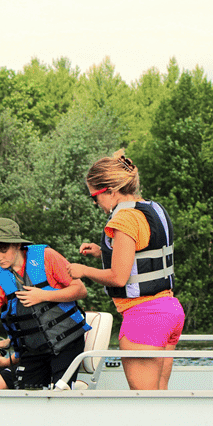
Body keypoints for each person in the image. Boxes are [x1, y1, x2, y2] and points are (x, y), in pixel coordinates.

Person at [69, 151, 185, 391]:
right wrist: (102, 252)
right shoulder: (151, 209)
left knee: (144, 403)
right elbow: (144, 253)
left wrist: (83, 270)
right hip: (170, 311)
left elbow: (118, 277)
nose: (95, 203)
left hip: (144, 316)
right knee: (160, 398)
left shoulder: (122, 219)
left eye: (95, 196)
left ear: (110, 191)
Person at [0, 218, 89, 390]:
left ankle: (71, 389)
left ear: (16, 245)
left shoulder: (46, 257)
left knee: (57, 390)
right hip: (34, 352)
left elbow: (81, 290)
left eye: (3, 250)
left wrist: (43, 295)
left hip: (67, 343)